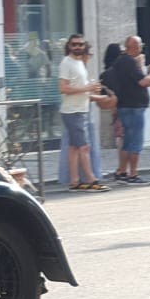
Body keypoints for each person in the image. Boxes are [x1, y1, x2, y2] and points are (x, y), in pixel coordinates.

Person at [102, 36, 150, 184]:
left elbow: (132, 82)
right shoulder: (130, 62)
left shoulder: (120, 61)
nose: (141, 48)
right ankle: (133, 174)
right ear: (135, 47)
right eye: (140, 45)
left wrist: (149, 82)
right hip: (134, 107)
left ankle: (122, 172)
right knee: (135, 143)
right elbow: (142, 82)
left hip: (124, 105)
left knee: (127, 141)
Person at [57, 35, 107, 192]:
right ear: (69, 46)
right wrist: (88, 88)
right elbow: (63, 88)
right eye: (74, 44)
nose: (77, 47)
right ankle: (92, 180)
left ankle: (74, 182)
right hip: (73, 111)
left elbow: (81, 89)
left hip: (80, 110)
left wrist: (94, 92)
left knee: (74, 148)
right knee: (84, 147)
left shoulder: (79, 63)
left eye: (80, 44)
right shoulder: (66, 63)